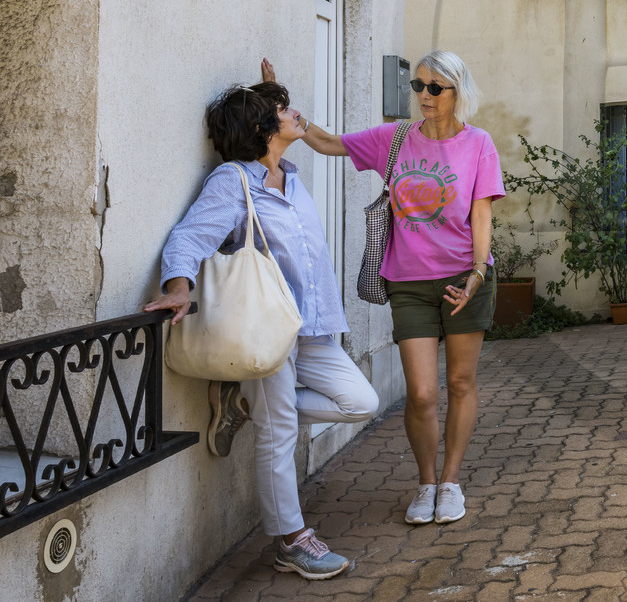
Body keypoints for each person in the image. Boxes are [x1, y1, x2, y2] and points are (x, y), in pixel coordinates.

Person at [145, 80, 380, 581]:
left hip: (309, 329)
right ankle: (291, 541)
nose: (296, 114)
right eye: (282, 109)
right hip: (264, 332)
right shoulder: (233, 182)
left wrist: (266, 84)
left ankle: (242, 404)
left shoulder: (291, 178)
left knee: (360, 402)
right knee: (279, 435)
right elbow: (190, 235)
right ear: (261, 127)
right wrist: (179, 285)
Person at [291, 50, 504, 527]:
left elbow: (482, 212)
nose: (424, 96)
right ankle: (426, 481)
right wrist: (284, 107)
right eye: (418, 86)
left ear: (456, 92)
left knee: (461, 382)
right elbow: (327, 143)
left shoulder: (478, 144)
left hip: (464, 280)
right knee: (423, 392)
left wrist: (476, 273)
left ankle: (450, 482)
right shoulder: (396, 139)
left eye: (435, 88)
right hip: (408, 283)